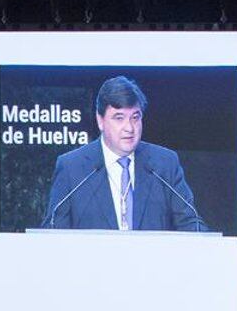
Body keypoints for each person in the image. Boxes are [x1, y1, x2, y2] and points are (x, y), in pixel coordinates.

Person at [42, 75, 208, 231]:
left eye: (135, 117)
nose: (129, 128)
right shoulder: (72, 168)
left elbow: (191, 224)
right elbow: (53, 229)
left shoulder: (164, 164)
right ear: (100, 121)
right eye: (119, 118)